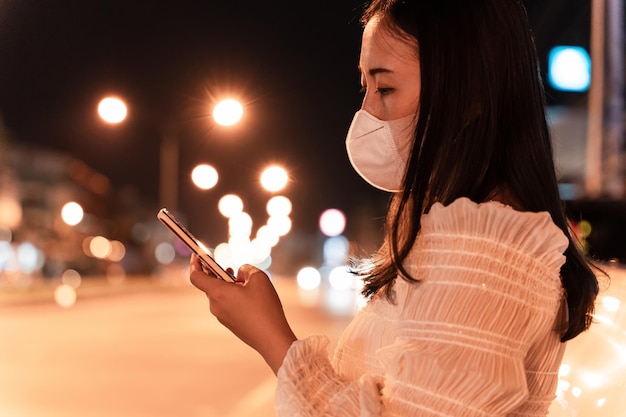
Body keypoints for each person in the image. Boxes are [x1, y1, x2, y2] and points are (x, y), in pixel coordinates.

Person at [189, 0, 601, 415]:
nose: (366, 111)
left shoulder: (486, 247)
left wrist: (271, 337)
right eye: (364, 86)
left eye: (385, 88)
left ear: (469, 92)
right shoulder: (458, 232)